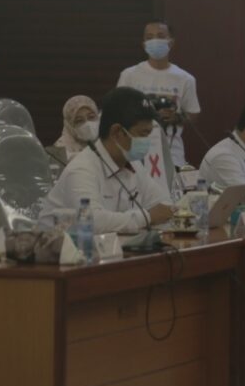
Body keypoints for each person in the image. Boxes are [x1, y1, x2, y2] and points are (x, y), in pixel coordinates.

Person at [39, 87, 174, 234]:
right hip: (58, 247)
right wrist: (147, 217)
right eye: (142, 134)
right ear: (117, 132)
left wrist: (149, 216)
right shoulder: (81, 169)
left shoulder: (133, 164)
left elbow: (165, 206)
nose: (147, 141)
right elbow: (91, 222)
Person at [116, 20, 200, 166]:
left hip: (172, 154)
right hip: (136, 151)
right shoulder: (129, 75)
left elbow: (193, 113)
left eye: (160, 36)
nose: (154, 40)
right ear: (144, 44)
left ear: (171, 42)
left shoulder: (185, 78)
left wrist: (176, 117)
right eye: (149, 37)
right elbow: (116, 111)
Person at [48, 95, 99, 166]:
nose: (87, 124)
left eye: (91, 117)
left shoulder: (106, 142)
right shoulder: (58, 154)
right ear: (69, 125)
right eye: (79, 121)